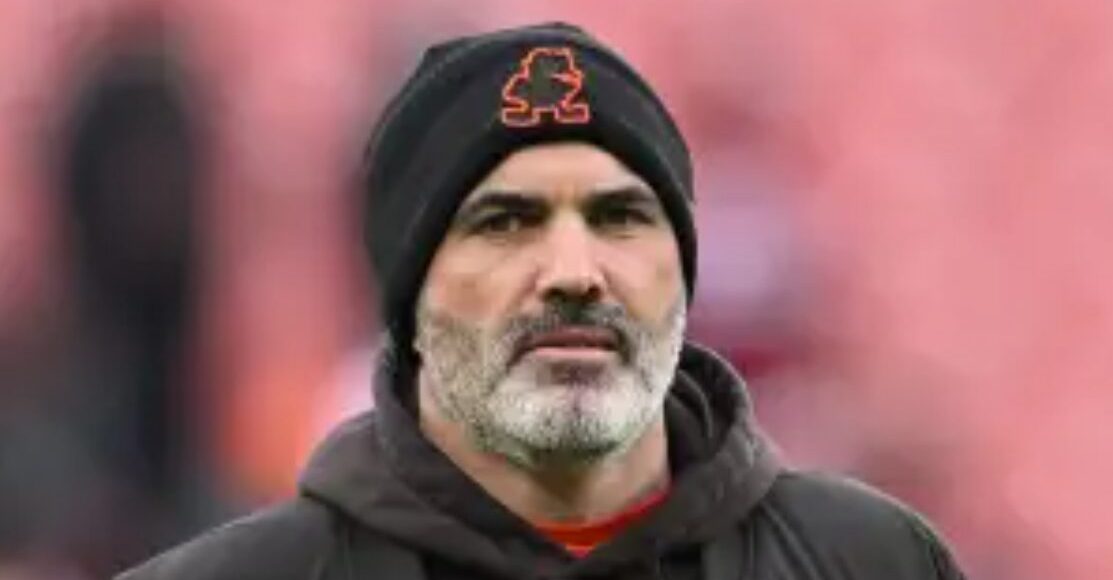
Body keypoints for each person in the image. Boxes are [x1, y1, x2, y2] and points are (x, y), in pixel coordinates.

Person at [117, 22, 966, 580]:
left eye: (620, 216)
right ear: (409, 292)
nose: (573, 271)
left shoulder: (870, 561)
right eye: (505, 221)